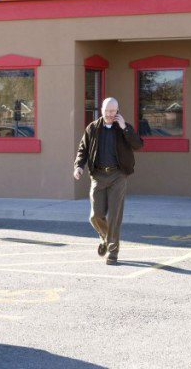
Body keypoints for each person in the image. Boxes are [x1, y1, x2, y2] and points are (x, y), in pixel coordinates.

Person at [73, 97, 143, 265]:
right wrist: (79, 166)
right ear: (102, 110)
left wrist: (125, 128)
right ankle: (106, 237)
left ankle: (113, 252)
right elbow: (83, 149)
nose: (110, 114)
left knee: (114, 216)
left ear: (117, 111)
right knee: (95, 216)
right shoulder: (93, 128)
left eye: (113, 111)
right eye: (107, 111)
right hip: (98, 175)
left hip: (118, 175)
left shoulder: (123, 127)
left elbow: (138, 145)